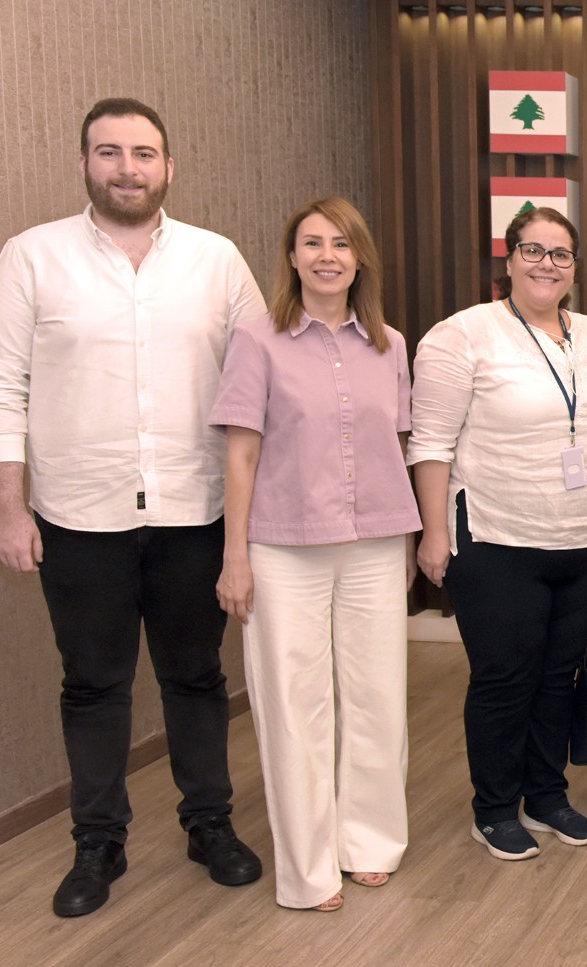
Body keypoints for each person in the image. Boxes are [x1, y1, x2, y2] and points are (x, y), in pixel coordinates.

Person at [0, 98, 266, 918]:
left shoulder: (216, 261)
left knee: (195, 677)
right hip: (78, 517)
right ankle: (98, 840)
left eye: (143, 153)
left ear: (170, 166)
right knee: (94, 685)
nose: (127, 169)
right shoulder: (32, 258)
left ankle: (210, 824)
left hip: (193, 512)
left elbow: (257, 387)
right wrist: (8, 507)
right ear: (84, 163)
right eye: (109, 152)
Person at [209, 197, 419, 911]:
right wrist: (234, 556)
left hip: (373, 543)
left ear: (360, 259)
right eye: (312, 243)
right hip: (282, 546)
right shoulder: (256, 339)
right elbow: (241, 455)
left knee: (377, 697)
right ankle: (308, 869)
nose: (327, 255)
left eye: (341, 243)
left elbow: (396, 446)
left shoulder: (390, 344)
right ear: (292, 258)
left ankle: (369, 844)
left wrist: (407, 540)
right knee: (294, 705)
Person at [409, 207, 587, 862]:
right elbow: (430, 442)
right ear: (509, 259)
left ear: (575, 267)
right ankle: (495, 808)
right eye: (534, 250)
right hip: (496, 538)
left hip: (580, 539)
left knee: (559, 677)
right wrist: (433, 534)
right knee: (505, 679)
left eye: (561, 254)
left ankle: (547, 795)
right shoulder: (462, 335)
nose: (547, 264)